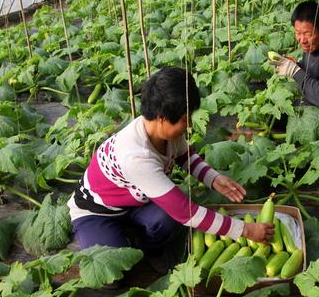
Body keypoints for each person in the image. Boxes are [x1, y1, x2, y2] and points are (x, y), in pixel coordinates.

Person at [68, 67, 274, 272]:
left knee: (167, 219)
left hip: (135, 202)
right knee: (113, 269)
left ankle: (147, 244)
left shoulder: (166, 133)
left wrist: (213, 178)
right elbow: (186, 212)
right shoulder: (136, 157)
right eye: (185, 119)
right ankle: (116, 234)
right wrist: (246, 230)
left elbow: (186, 156)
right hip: (98, 212)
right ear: (161, 117)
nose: (190, 124)